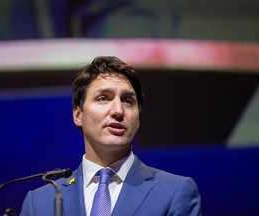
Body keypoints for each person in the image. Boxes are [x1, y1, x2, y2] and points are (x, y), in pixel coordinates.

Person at [19, 56, 202, 216]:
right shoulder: (39, 202)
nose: (118, 110)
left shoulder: (174, 192)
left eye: (128, 101)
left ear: (138, 118)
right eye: (103, 98)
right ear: (77, 114)